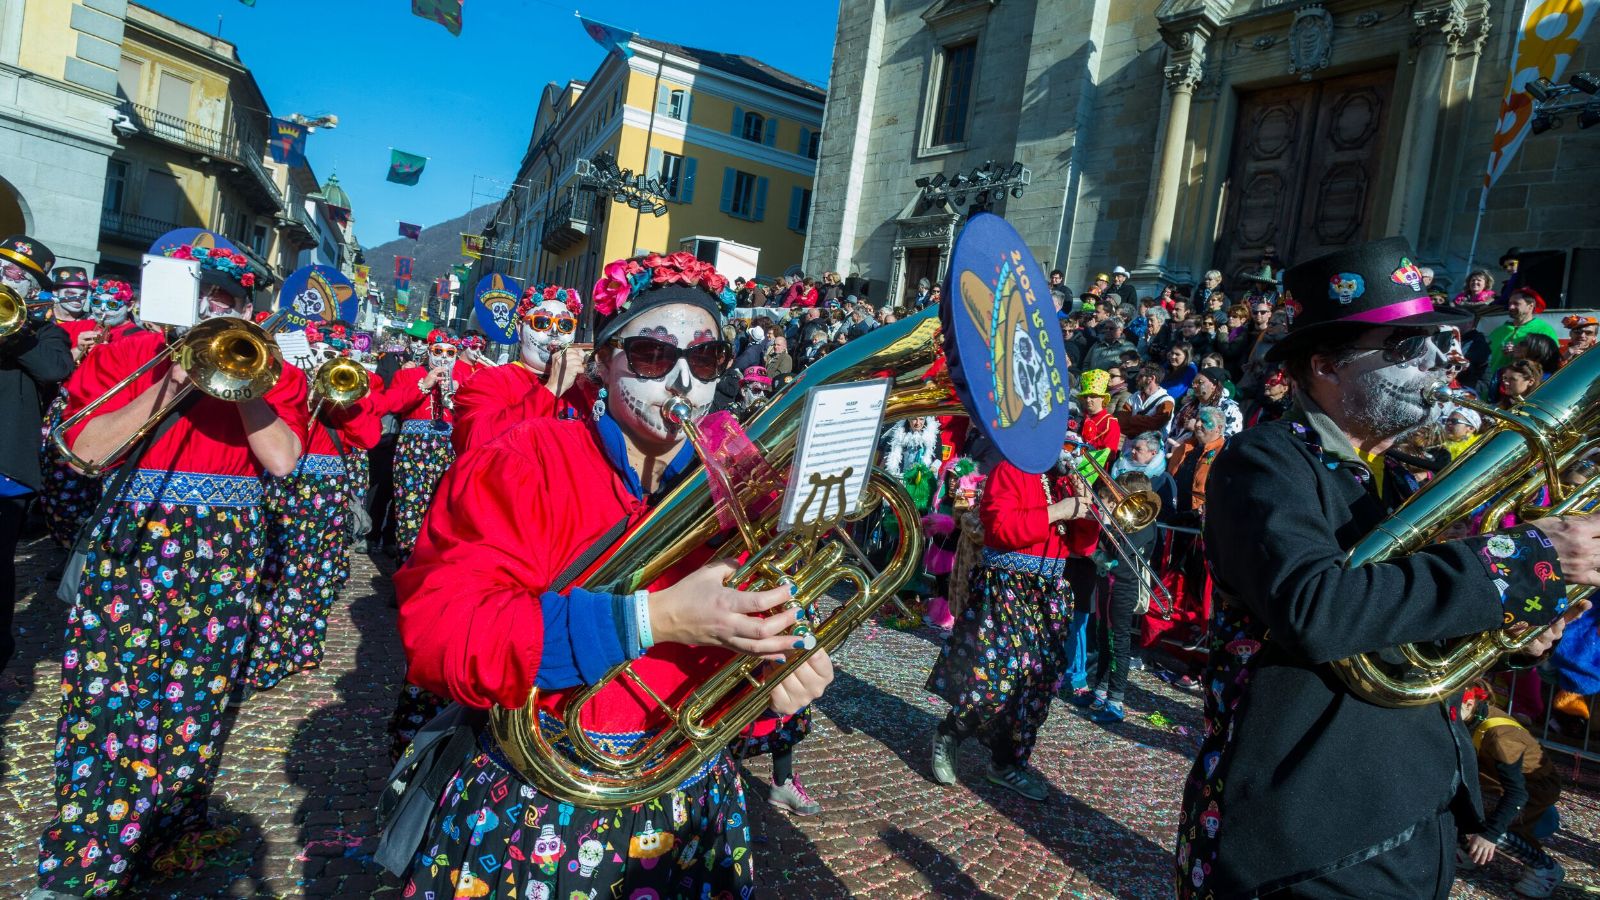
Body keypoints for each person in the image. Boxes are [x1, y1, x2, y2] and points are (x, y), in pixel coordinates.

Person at [384, 252, 832, 897]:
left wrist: (777, 672)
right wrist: (657, 617)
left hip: (692, 799)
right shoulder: (523, 459)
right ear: (601, 362)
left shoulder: (737, 483)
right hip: (542, 801)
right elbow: (442, 635)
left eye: (703, 361)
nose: (680, 381)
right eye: (651, 355)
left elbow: (758, 632)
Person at [1176, 236, 1591, 899]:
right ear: (1325, 367)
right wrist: (1519, 564)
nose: (1440, 363)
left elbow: (1406, 625)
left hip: (1409, 812)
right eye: (1406, 348)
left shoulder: (1402, 477)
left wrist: (1514, 633)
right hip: (1306, 831)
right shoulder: (1265, 461)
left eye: (1437, 343)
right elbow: (1319, 608)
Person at [38, 232, 309, 893]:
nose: (220, 305)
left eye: (233, 297)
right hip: (134, 547)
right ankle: (83, 859)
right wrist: (172, 382)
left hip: (226, 556)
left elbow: (282, 459)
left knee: (195, 701)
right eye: (207, 293)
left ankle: (165, 836)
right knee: (106, 706)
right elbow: (83, 451)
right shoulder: (125, 355)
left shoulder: (277, 373)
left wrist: (241, 381)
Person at [927, 447, 1099, 801]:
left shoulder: (1065, 478)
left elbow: (1082, 545)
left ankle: (1006, 763)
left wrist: (1086, 513)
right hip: (1007, 584)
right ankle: (950, 732)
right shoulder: (1010, 469)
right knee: (999, 676)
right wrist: (1059, 510)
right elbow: (1001, 529)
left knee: (1037, 682)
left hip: (1049, 591)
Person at [243, 321, 382, 692]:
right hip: (286, 485)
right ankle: (264, 657)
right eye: (323, 353)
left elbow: (368, 438)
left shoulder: (343, 398)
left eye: (335, 356)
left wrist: (343, 404)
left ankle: (302, 648)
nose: (328, 362)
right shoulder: (283, 381)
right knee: (276, 573)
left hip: (328, 490)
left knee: (316, 573)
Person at [0, 237, 71, 673]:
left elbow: (56, 370)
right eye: (3, 266)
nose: (9, 274)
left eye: (20, 274)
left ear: (33, 289)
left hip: (5, 465)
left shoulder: (46, 332)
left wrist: (14, 330)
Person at [1457, 684, 1566, 897]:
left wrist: (1489, 834)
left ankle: (1545, 868)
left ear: (1469, 703)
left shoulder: (1501, 738)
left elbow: (1517, 792)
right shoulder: (1473, 716)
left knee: (1489, 820)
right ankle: (1468, 851)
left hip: (1534, 790)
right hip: (1501, 784)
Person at [453, 285, 588, 454]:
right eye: (542, 322)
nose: (554, 332)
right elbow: (475, 444)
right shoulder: (488, 380)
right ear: (519, 328)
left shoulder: (583, 387)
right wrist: (553, 388)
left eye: (565, 325)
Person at [1073, 471, 1158, 724]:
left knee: (1118, 644)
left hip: (1123, 587)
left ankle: (1115, 701)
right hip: (1106, 583)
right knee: (1102, 637)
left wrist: (1107, 529)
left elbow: (1117, 552)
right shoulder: (1123, 519)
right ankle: (1099, 692)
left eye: (1120, 492)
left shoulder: (1144, 523)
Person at [380, 328, 470, 561]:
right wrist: (424, 384)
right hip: (413, 449)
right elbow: (393, 404)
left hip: (448, 448)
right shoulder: (408, 375)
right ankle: (404, 570)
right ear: (429, 352)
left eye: (450, 353)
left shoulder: (465, 378)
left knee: (443, 511)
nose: (443, 357)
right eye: (437, 351)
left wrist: (460, 398)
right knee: (410, 511)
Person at [1484, 288, 1557, 382]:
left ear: (1530, 306)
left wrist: (1519, 354)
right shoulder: (1499, 331)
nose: (1511, 307)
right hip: (1493, 387)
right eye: (1510, 303)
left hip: (1525, 388)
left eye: (1516, 303)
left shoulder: (1544, 330)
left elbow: (1550, 362)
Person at [1115, 363, 1176, 438]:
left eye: (1140, 376)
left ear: (1151, 378)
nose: (1137, 378)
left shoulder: (1167, 401)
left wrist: (1134, 419)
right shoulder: (1135, 395)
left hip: (1151, 447)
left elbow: (1155, 424)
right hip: (1130, 442)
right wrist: (1138, 424)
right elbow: (1122, 420)